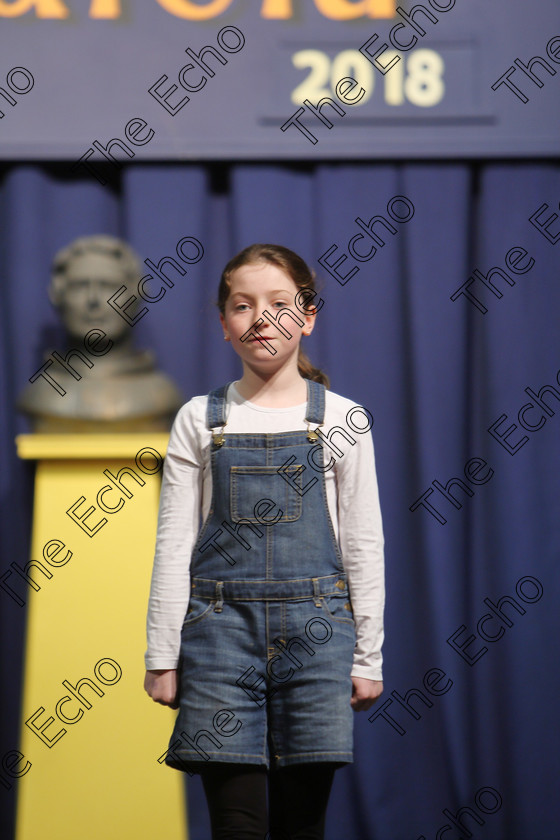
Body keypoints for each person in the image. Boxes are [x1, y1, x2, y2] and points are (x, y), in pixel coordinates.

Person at [144, 244, 385, 839]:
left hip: (318, 633)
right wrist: (161, 654)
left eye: (280, 304)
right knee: (237, 823)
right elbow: (174, 542)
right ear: (223, 324)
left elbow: (363, 544)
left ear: (308, 316)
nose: (261, 319)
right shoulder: (199, 419)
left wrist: (368, 655)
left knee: (303, 823)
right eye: (242, 305)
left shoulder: (342, 420)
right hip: (219, 632)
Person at [18, 234, 182, 431]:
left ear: (136, 297)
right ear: (57, 297)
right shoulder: (41, 394)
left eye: (109, 287)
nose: (93, 300)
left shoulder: (161, 395)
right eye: (79, 286)